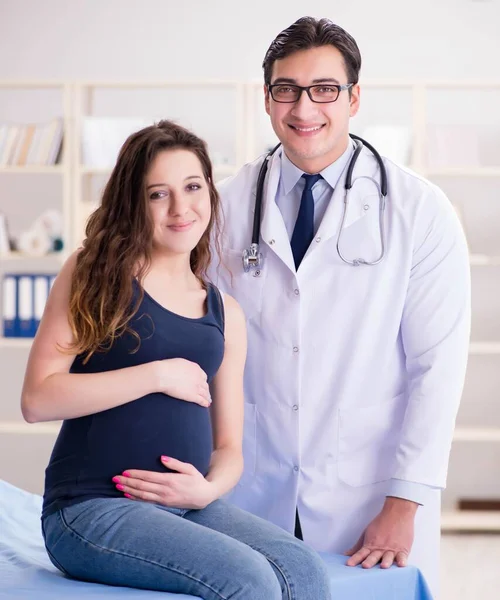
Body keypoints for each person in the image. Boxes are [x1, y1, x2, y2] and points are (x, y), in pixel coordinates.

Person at [208, 16, 470, 597]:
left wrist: (404, 502)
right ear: (267, 100)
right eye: (287, 89)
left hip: (367, 498)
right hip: (246, 490)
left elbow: (437, 369)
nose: (305, 108)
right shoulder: (220, 206)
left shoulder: (419, 213)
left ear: (353, 98)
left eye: (324, 89)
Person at [20, 120, 332, 600]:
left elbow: (228, 448)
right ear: (133, 204)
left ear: (210, 189)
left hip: (189, 506)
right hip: (90, 509)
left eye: (192, 187)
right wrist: (156, 375)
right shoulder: (94, 273)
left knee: (303, 570)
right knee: (250, 580)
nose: (181, 208)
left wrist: (205, 492)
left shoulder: (225, 311)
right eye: (157, 195)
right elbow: (38, 399)